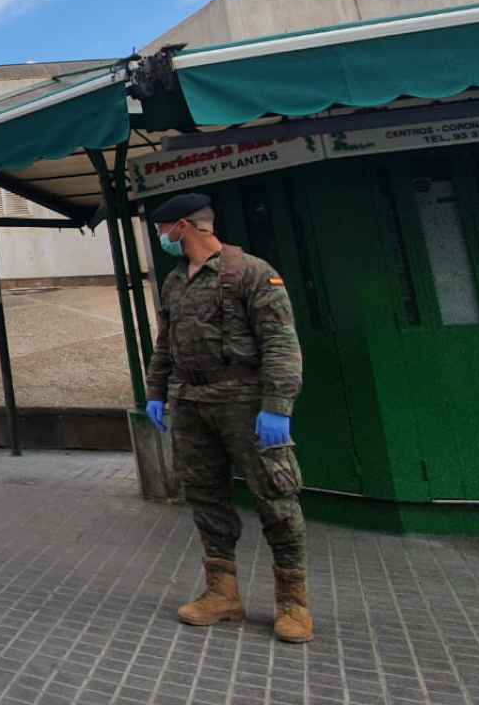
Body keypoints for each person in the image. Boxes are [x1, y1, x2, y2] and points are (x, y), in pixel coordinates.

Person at [143, 192, 312, 644]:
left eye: (164, 230)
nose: (162, 237)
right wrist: (156, 392)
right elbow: (165, 343)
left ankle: (293, 602)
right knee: (205, 497)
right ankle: (223, 594)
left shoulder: (251, 272)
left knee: (276, 497)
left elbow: (281, 343)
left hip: (244, 401)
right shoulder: (177, 282)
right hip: (192, 403)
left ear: (184, 227)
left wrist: (277, 406)